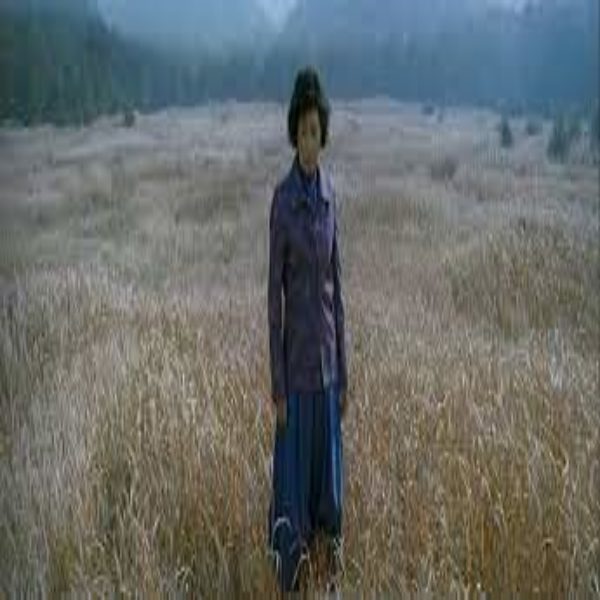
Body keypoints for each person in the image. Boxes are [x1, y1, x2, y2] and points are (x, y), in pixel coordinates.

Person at [266, 65, 349, 595]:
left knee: (329, 496)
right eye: (302, 132)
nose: (310, 142)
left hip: (327, 373)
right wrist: (276, 388)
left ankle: (330, 583)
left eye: (316, 132)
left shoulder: (331, 197)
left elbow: (338, 294)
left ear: (324, 134)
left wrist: (346, 376)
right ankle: (290, 585)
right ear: (293, 135)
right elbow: (272, 301)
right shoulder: (282, 200)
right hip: (295, 376)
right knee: (293, 498)